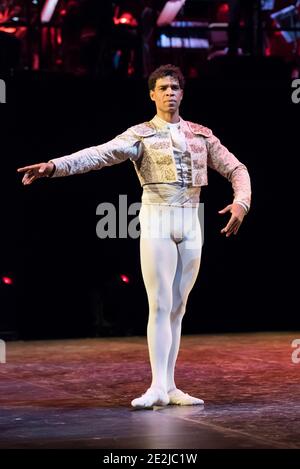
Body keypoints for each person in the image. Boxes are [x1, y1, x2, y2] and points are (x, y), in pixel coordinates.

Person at [17, 64, 251, 409]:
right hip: (157, 221)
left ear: (182, 93)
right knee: (159, 304)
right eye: (163, 88)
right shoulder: (140, 134)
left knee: (178, 307)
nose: (170, 93)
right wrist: (54, 166)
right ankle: (157, 386)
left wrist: (241, 203)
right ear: (152, 94)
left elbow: (236, 168)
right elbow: (98, 154)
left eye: (175, 87)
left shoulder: (202, 135)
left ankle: (170, 386)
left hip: (191, 224)